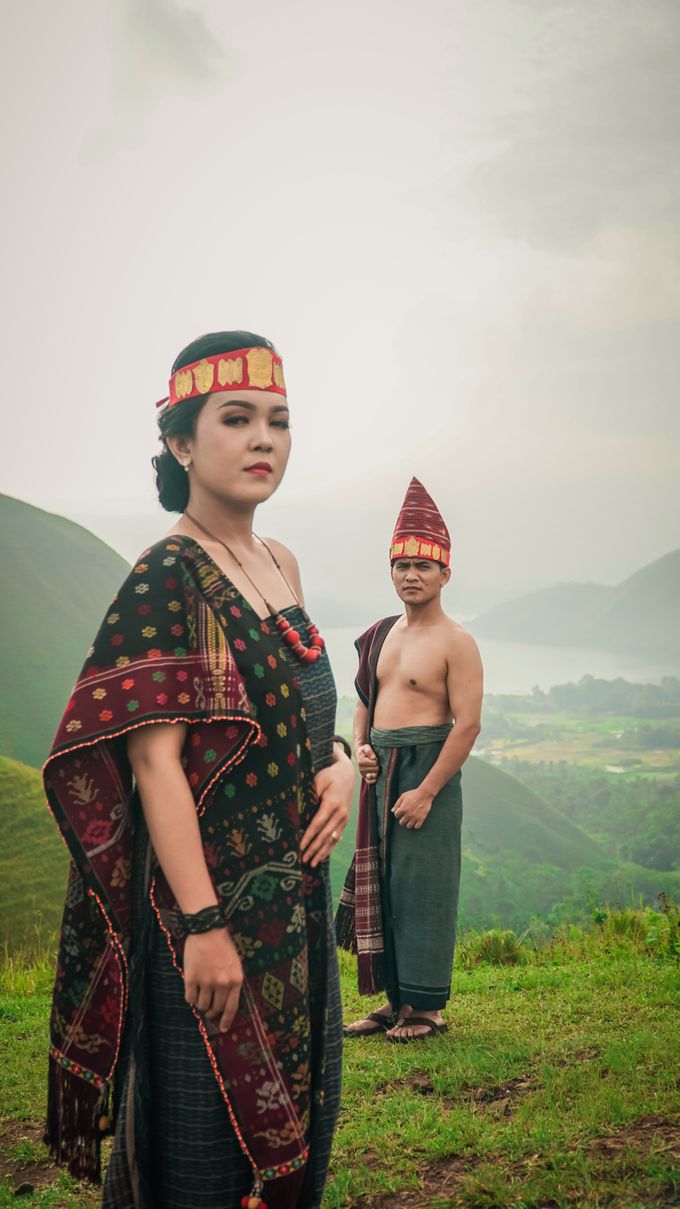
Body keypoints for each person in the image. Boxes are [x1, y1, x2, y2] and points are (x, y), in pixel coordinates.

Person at [43, 332, 353, 1208]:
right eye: (237, 418)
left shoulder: (279, 562)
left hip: (293, 911)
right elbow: (155, 766)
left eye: (279, 421)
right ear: (181, 443)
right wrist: (205, 926)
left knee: (302, 1124)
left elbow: (301, 716)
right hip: (207, 929)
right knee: (202, 1155)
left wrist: (342, 767)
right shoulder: (166, 578)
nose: (264, 439)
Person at [336, 477, 483, 1042]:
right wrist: (363, 748)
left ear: (445, 572)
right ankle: (392, 1001)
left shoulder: (456, 641)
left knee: (425, 886)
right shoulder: (381, 634)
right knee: (385, 883)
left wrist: (426, 791)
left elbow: (467, 725)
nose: (410, 575)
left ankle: (427, 1008)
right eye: (401, 564)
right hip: (382, 768)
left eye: (423, 565)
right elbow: (364, 702)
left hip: (430, 769)